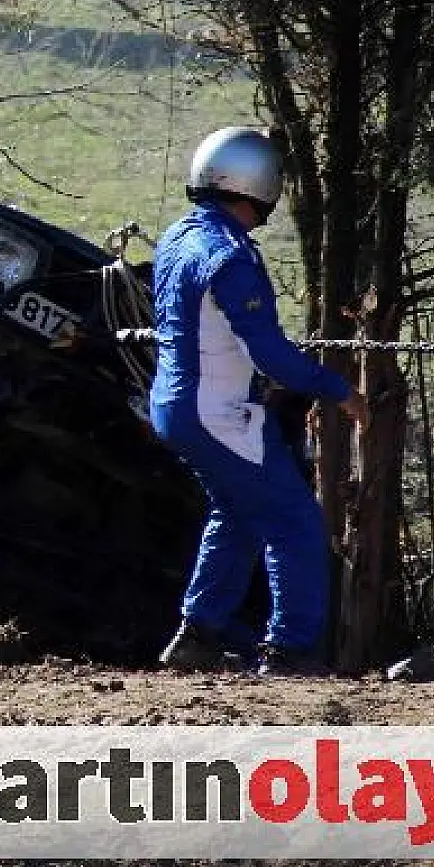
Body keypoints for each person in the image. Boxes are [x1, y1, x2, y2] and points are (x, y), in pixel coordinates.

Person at [151, 127, 369, 677]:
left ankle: (197, 635)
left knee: (238, 512)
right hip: (217, 411)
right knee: (293, 522)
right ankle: (290, 651)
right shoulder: (229, 256)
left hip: (175, 405)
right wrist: (340, 392)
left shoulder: (178, 238)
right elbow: (269, 354)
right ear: (260, 186)